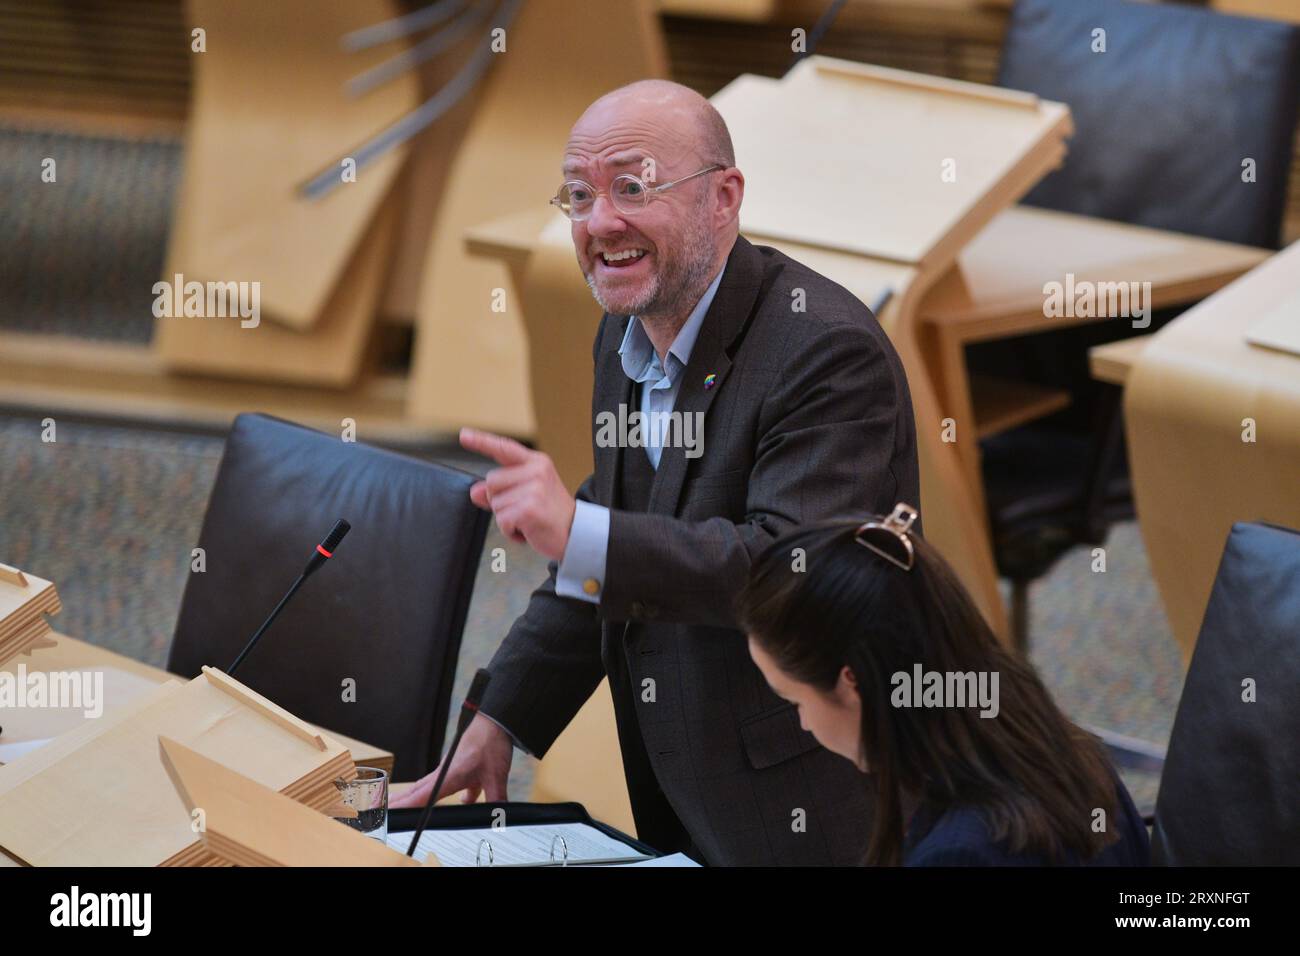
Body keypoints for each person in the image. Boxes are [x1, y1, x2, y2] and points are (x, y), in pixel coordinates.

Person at [391, 79, 920, 865]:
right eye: (578, 195)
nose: (602, 223)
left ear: (723, 197)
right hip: (684, 786)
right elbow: (611, 544)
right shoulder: (626, 332)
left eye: (633, 188)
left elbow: (784, 570)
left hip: (809, 796)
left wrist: (580, 532)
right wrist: (501, 717)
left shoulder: (824, 351)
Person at [738, 504, 1151, 866]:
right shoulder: (1047, 738)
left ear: (853, 682)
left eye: (794, 700)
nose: (804, 724)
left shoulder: (962, 852)